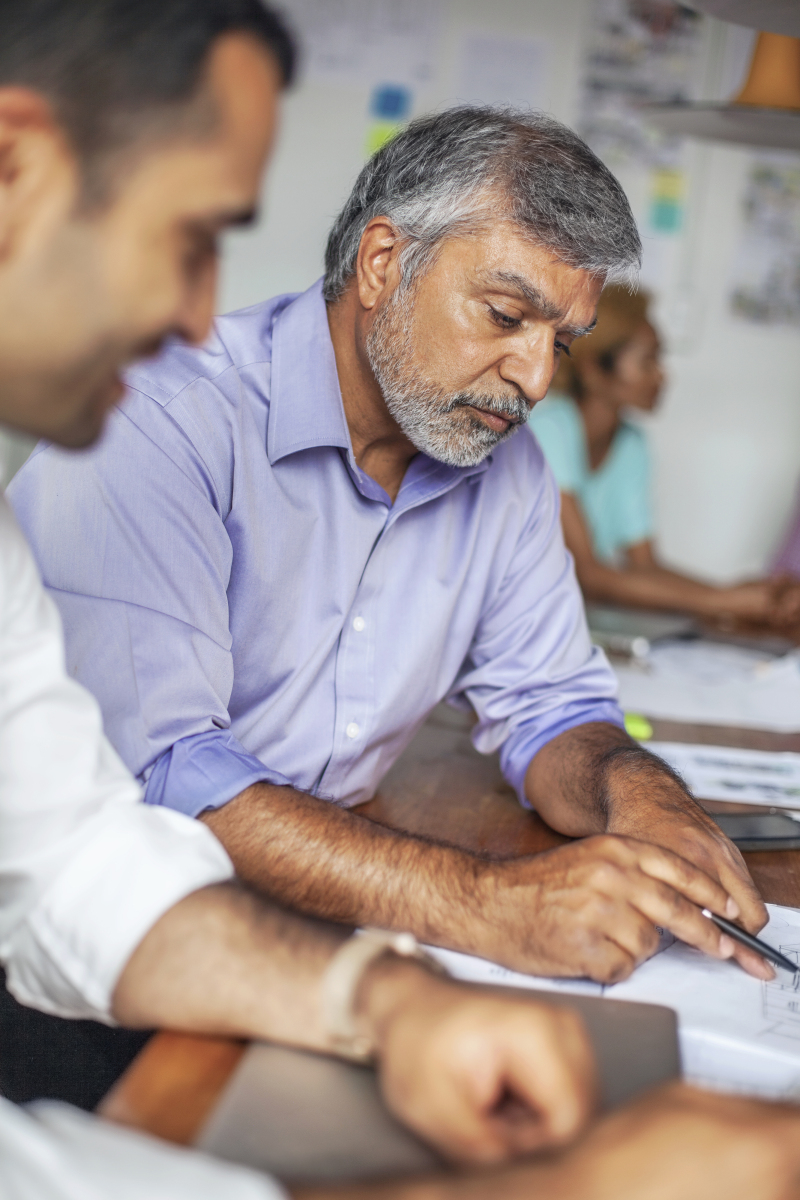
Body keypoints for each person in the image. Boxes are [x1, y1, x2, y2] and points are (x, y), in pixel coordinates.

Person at [1, 7, 799, 1198]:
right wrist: (476, 908)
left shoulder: (502, 465)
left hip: (284, 939)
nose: (535, 377)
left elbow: (552, 704)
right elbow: (153, 790)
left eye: (563, 343)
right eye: (505, 315)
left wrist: (649, 806)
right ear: (383, 264)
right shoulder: (156, 415)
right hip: (120, 980)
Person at [529, 285, 800, 626]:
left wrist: (738, 597)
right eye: (648, 360)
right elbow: (588, 575)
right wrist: (726, 600)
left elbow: (645, 567)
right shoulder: (551, 429)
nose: (662, 375)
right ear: (594, 369)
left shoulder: (631, 444)